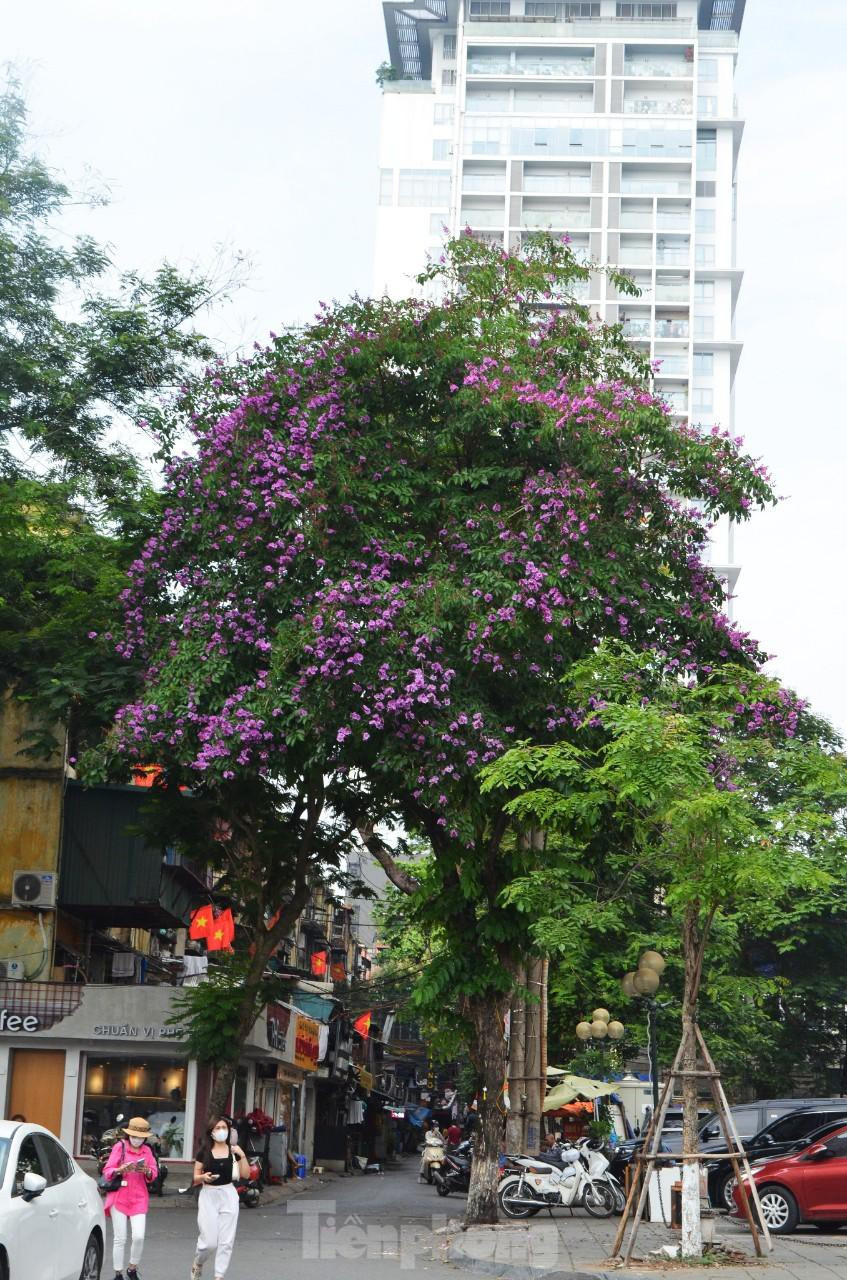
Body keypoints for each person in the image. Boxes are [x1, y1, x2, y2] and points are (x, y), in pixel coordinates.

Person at [190, 1116, 249, 1280]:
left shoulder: (234, 1150)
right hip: (208, 1195)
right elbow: (195, 1176)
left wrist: (242, 1155)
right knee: (209, 1242)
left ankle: (219, 1276)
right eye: (217, 1128)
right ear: (211, 1132)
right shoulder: (204, 1152)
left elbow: (245, 1174)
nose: (221, 1131)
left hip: (228, 1194)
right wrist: (203, 1178)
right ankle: (198, 1261)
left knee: (226, 1241)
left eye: (224, 1127)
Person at [101, 1116, 158, 1280]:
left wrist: (146, 1171)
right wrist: (121, 1169)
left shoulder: (147, 1151)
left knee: (139, 1236)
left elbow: (154, 1172)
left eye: (140, 1137)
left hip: (139, 1196)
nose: (137, 1140)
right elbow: (108, 1171)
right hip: (119, 1195)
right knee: (120, 1238)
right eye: (134, 1136)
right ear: (128, 1135)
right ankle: (118, 1273)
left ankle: (132, 1268)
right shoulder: (120, 1147)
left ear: (145, 1138)